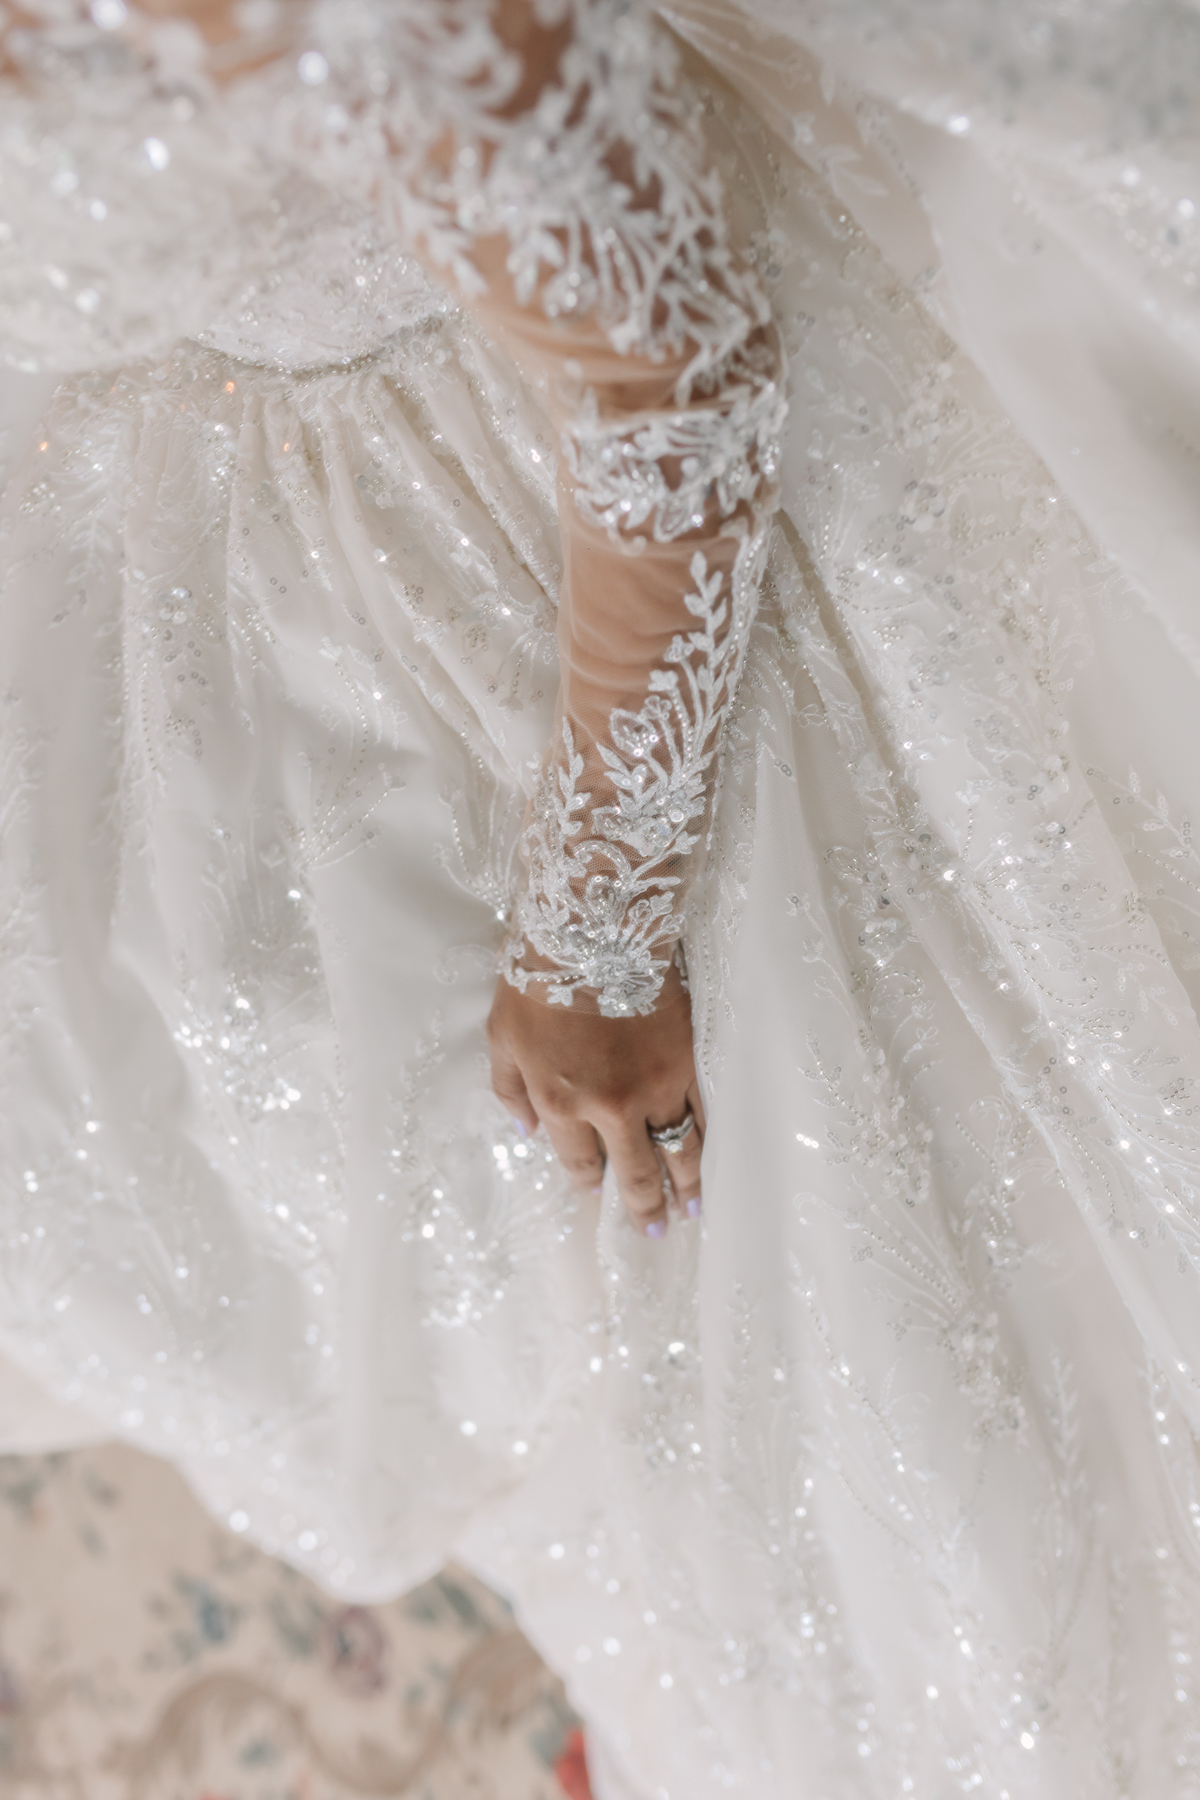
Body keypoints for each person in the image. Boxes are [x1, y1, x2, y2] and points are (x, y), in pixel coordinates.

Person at [5, 0, 1200, 1793]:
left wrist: (600, 926)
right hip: (210, 505)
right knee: (356, 1193)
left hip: (570, 502)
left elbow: (681, 391)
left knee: (778, 1255)